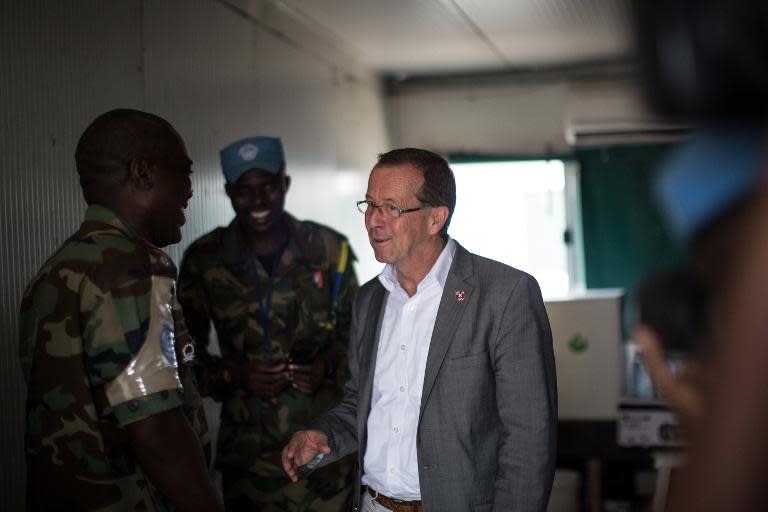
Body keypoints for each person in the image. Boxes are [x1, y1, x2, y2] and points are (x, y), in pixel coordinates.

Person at [282, 148, 558, 512]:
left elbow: (529, 438)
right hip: (374, 505)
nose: (373, 222)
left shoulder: (505, 295)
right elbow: (362, 402)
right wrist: (323, 434)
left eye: (392, 208)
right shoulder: (369, 299)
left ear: (435, 219)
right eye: (369, 205)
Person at [18, 109, 222, 511]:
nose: (190, 190)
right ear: (143, 173)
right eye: (184, 171)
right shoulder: (133, 269)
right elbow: (156, 430)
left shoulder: (56, 271)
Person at [177, 136, 358, 511]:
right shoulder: (205, 260)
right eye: (244, 191)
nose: (258, 202)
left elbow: (362, 341)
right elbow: (180, 358)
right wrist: (234, 375)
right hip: (250, 464)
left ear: (285, 184)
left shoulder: (327, 249)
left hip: (324, 454)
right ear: (228, 191)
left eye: (269, 188)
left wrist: (327, 366)